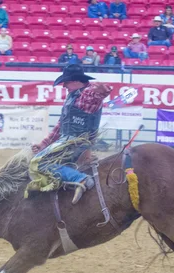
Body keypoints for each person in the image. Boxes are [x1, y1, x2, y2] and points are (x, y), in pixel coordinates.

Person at [30, 64, 113, 204]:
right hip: (68, 141)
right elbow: (60, 125)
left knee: (39, 163)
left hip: (75, 143)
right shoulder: (73, 96)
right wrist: (43, 144)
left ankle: (80, 179)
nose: (64, 86)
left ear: (76, 81)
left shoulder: (85, 95)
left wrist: (102, 91)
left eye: (66, 82)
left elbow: (95, 94)